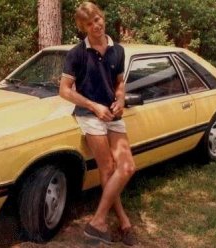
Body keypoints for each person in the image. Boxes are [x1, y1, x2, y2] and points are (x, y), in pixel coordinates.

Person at [59, 2, 137, 246]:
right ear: (83, 28)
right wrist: (94, 106)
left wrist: (121, 99)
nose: (96, 25)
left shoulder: (118, 51)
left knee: (126, 167)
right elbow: (63, 90)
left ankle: (97, 220)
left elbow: (119, 83)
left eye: (97, 19)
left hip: (113, 115)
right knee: (107, 169)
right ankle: (123, 221)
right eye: (89, 23)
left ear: (102, 17)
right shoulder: (77, 54)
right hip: (89, 115)